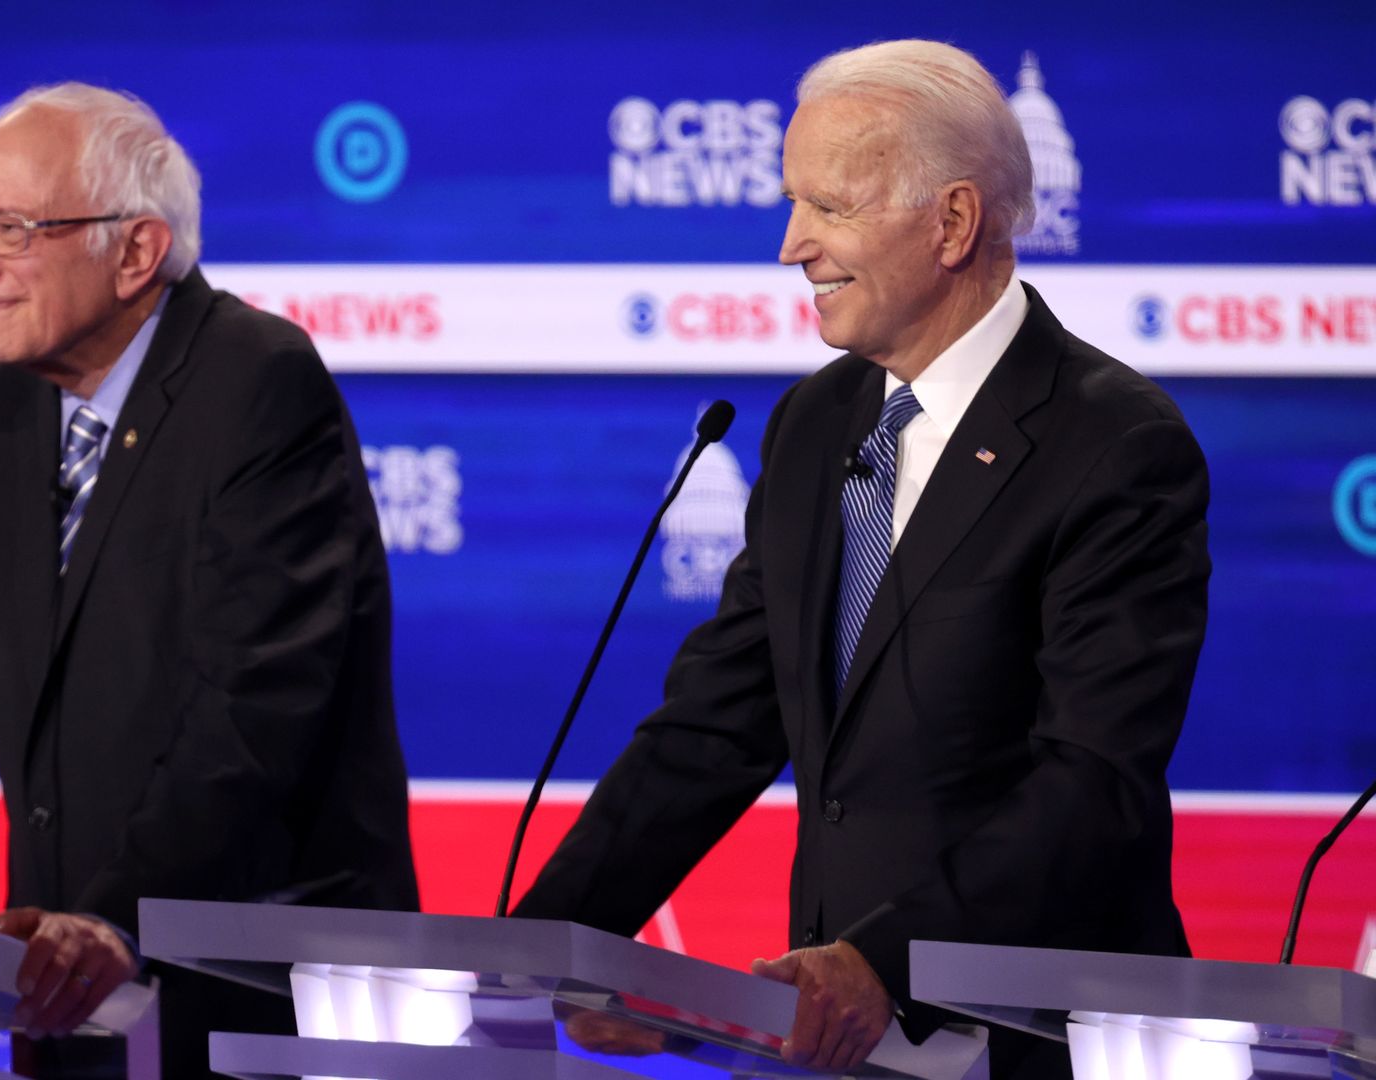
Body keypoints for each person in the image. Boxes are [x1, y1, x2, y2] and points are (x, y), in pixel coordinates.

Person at [514, 40, 1208, 1079]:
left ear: (953, 222)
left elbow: (1093, 782)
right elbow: (717, 724)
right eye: (793, 203)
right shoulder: (812, 423)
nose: (792, 245)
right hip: (845, 1046)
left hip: (1042, 1041)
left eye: (829, 207)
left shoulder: (1114, 444)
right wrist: (545, 945)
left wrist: (882, 962)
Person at [0, 82, 420, 1078]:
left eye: (10, 229)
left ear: (135, 252)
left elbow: (255, 707)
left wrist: (112, 921)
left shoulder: (257, 382)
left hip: (268, 1002)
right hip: (69, 1000)